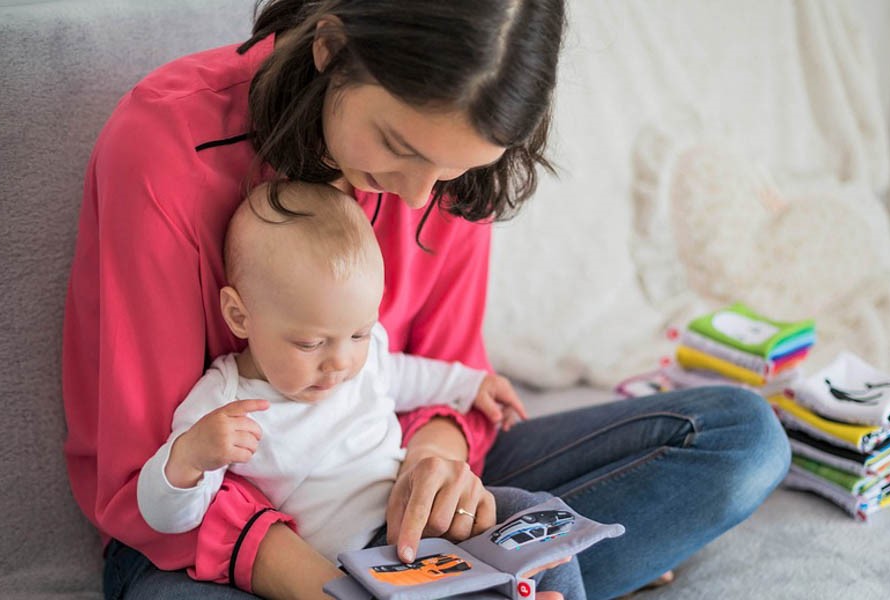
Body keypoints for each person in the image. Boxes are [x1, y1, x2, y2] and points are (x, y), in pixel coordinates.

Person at [62, 1, 792, 598]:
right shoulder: (162, 148)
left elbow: (446, 374)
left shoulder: (445, 174)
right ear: (330, 45)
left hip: (390, 494)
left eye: (453, 170)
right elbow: (146, 476)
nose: (419, 197)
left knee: (742, 440)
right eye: (398, 146)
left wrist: (435, 463)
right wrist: (329, 588)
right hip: (208, 538)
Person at [135, 181, 580, 597]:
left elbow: (406, 376)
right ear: (239, 316)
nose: (340, 362)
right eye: (310, 343)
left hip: (418, 520)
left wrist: (471, 384)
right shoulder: (225, 404)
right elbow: (167, 517)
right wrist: (189, 459)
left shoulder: (359, 358)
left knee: (538, 514)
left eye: (359, 334)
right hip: (355, 566)